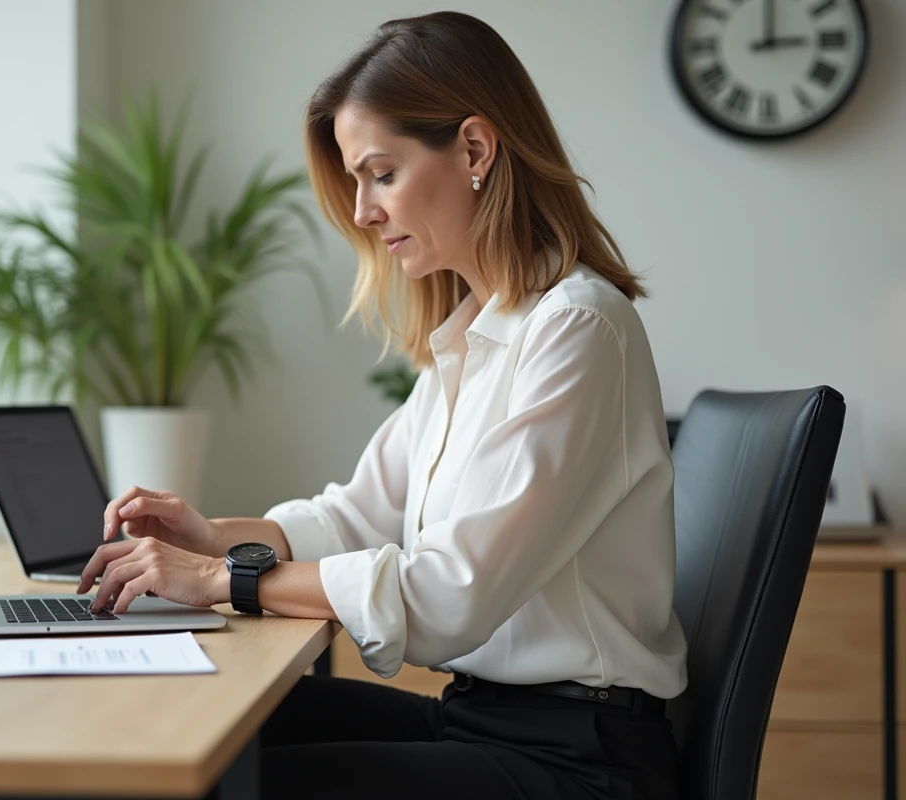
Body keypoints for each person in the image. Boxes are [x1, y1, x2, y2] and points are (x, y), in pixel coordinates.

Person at [77, 10, 687, 799]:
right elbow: (355, 518)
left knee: (225, 777)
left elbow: (449, 595)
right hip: (485, 720)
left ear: (474, 149)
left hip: (577, 761)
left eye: (381, 173)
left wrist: (219, 580)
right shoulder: (472, 336)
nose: (362, 212)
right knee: (189, 713)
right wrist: (211, 535)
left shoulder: (577, 327)